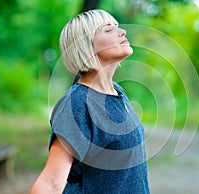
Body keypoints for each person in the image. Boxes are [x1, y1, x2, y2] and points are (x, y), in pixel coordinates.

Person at [30, 9, 150, 194]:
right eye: (108, 30)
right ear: (86, 46)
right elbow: (51, 183)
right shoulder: (77, 103)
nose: (122, 32)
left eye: (117, 26)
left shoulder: (117, 92)